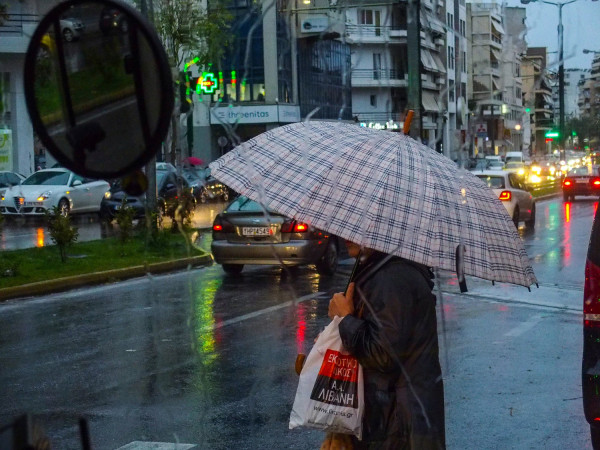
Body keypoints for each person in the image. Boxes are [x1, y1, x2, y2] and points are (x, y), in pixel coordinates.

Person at [327, 240, 446, 450]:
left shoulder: (391, 277)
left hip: (397, 425)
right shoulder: (382, 268)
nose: (346, 235)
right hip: (399, 417)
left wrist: (346, 319)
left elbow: (383, 354)